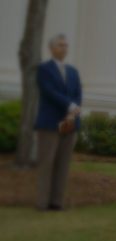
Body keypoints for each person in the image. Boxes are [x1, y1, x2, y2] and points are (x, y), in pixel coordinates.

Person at [34, 34, 82, 211]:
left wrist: (73, 112)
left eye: (66, 45)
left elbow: (78, 94)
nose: (64, 48)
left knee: (63, 164)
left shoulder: (73, 71)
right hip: (49, 123)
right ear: (52, 48)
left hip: (70, 124)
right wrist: (70, 106)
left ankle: (56, 202)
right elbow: (49, 92)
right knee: (46, 164)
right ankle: (42, 202)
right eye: (61, 45)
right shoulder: (43, 69)